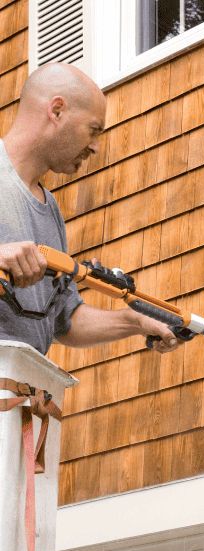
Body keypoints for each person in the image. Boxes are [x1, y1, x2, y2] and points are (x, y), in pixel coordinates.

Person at [0, 63, 181, 356]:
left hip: (22, 393)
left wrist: (135, 320)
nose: (96, 147)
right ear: (57, 111)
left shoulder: (50, 211)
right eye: (93, 129)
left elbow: (65, 320)